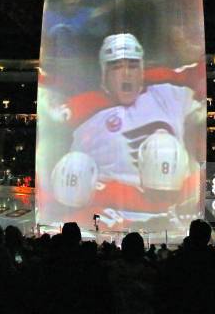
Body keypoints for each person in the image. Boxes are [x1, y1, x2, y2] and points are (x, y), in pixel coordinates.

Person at [46, 33, 205, 228]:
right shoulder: (83, 111)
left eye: (133, 65)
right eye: (117, 67)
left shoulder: (168, 91)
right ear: (104, 74)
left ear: (142, 70)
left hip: (175, 208)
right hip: (111, 214)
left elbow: (199, 74)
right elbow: (51, 122)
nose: (127, 73)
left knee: (163, 147)